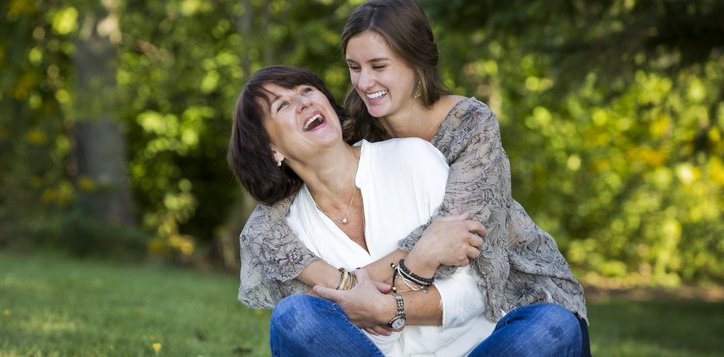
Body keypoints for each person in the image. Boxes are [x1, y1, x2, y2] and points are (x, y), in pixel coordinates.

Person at [236, 0, 591, 356]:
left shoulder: (454, 135)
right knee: (294, 317)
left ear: (415, 62)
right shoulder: (357, 125)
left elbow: (469, 259)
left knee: (554, 326)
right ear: (272, 151)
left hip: (514, 297)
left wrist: (375, 299)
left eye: (379, 66)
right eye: (354, 67)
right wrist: (412, 264)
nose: (364, 82)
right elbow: (341, 327)